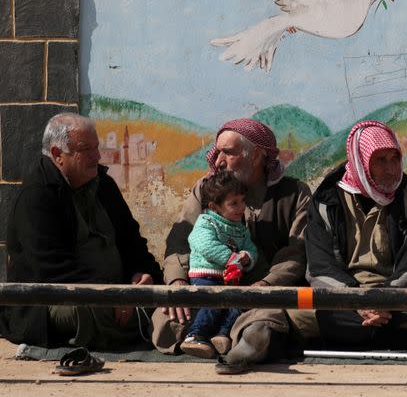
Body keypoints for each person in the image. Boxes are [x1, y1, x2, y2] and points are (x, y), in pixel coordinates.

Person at [151, 118, 312, 374]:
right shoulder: (206, 189)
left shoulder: (294, 194)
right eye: (218, 153)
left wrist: (266, 284)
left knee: (265, 320)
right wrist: (177, 283)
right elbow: (180, 240)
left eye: (228, 152)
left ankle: (239, 342)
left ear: (257, 155)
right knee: (169, 317)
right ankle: (215, 340)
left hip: (259, 293)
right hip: (207, 286)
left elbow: (295, 251)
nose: (218, 161)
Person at [0, 113, 163, 349]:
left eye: (97, 147)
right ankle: (148, 329)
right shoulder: (37, 195)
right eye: (86, 149)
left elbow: (132, 241)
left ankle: (147, 324)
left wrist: (142, 273)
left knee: (169, 300)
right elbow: (52, 269)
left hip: (119, 295)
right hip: (57, 302)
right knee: (91, 313)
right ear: (58, 155)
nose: (97, 156)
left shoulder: (104, 186)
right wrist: (108, 294)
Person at [305, 120, 407, 352]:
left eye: (395, 158)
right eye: (381, 160)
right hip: (344, 296)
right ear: (361, 162)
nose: (391, 168)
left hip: (399, 294)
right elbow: (320, 266)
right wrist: (356, 301)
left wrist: (384, 300)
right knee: (296, 310)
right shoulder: (326, 200)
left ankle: (350, 336)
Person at [180, 171, 259, 358]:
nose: (241, 207)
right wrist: (232, 259)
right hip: (205, 276)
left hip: (229, 279)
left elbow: (251, 248)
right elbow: (204, 243)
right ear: (214, 206)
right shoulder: (206, 221)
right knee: (214, 303)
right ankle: (195, 336)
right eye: (234, 203)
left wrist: (247, 256)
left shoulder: (240, 228)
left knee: (236, 306)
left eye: (242, 201)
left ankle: (221, 335)